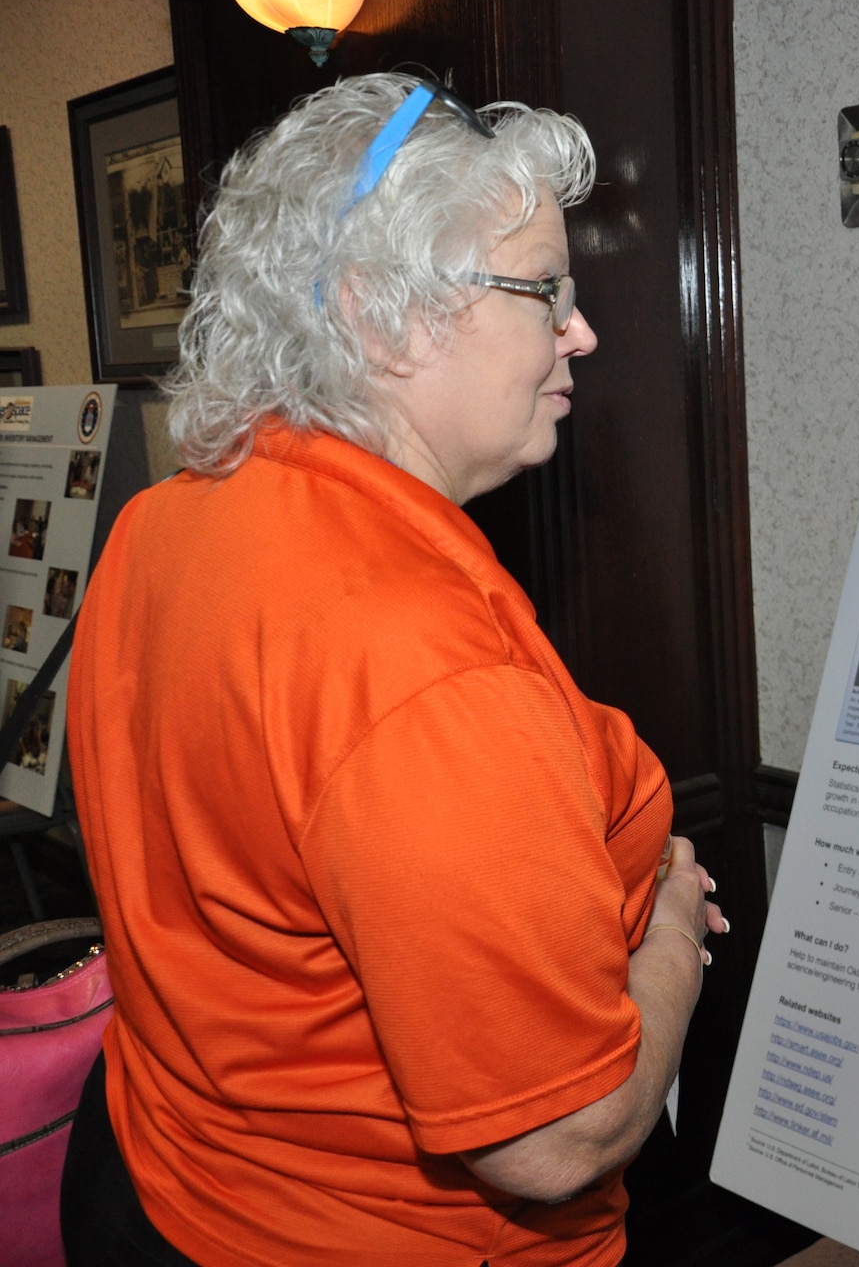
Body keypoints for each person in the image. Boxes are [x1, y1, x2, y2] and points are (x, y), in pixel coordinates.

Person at [62, 73, 725, 1267]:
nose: (581, 330)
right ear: (381, 316)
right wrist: (671, 930)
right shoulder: (420, 663)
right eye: (544, 293)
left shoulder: (167, 522)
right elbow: (558, 1136)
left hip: (155, 1182)